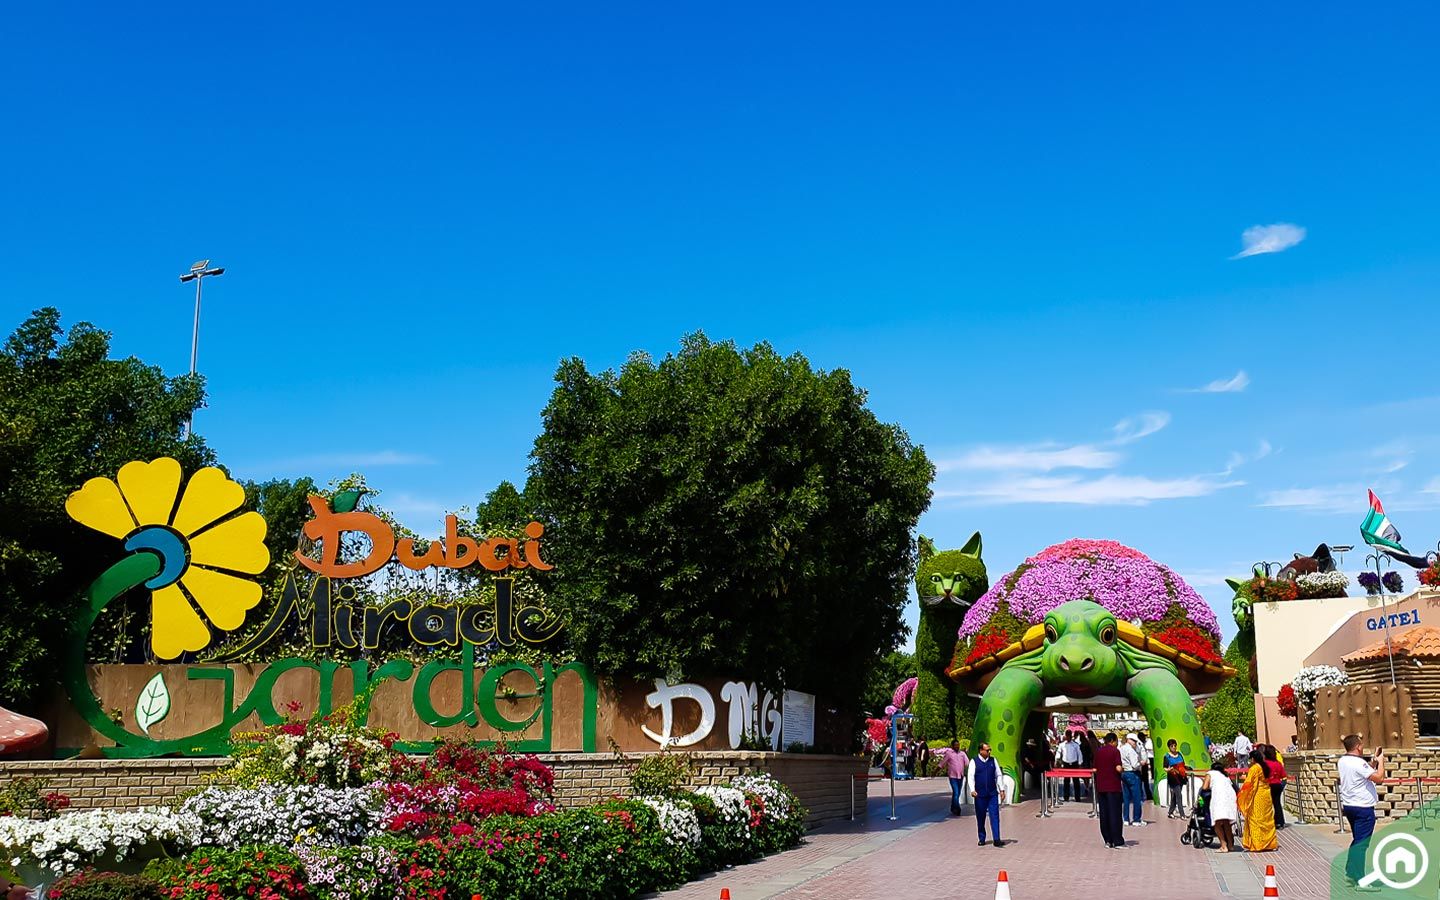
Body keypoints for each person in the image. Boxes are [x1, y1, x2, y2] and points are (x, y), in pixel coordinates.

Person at [1339, 734, 1385, 891]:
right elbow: (1379, 778)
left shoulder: (1343, 761)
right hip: (1363, 808)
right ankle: (1360, 879)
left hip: (1350, 806)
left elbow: (1363, 773)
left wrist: (1373, 762)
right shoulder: (1358, 763)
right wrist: (1381, 762)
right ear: (1358, 747)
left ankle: (1351, 873)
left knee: (1357, 841)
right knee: (1361, 844)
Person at [1238, 748, 1278, 852]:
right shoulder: (1265, 767)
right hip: (1266, 794)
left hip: (1257, 795)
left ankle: (1258, 844)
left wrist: (1243, 795)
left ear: (1253, 759)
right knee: (1267, 819)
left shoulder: (1254, 768)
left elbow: (1250, 783)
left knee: (1255, 819)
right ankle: (1270, 843)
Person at [968, 741, 1005, 847]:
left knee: (995, 815)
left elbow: (998, 775)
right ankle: (982, 837)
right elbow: (970, 776)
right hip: (980, 795)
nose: (989, 752)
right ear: (981, 751)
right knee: (981, 816)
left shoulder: (993, 761)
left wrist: (1001, 789)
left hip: (992, 793)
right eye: (987, 750)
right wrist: (972, 790)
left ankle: (996, 839)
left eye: (990, 750)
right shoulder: (974, 762)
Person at [1095, 732, 1125, 849]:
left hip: (1101, 787)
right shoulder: (1115, 751)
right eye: (1116, 741)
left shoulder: (1099, 751)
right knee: (1115, 813)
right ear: (1112, 741)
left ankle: (1107, 840)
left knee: (1104, 813)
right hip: (1113, 786)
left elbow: (1095, 768)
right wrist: (1123, 770)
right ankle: (1117, 840)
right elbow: (1118, 768)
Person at [1204, 760, 1238, 853]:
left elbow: (1204, 787)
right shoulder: (1225, 776)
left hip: (1219, 798)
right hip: (1230, 798)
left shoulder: (1210, 773)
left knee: (1217, 823)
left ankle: (1223, 846)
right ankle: (1230, 845)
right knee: (1226, 823)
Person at [935, 740, 969, 815]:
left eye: (958, 745)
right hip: (953, 777)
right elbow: (942, 763)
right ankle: (957, 808)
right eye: (955, 745)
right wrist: (935, 771)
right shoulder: (949, 754)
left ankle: (953, 807)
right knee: (956, 792)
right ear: (952, 746)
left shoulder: (962, 754)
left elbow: (967, 763)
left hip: (960, 776)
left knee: (957, 793)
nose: (957, 746)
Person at [1120, 733, 1145, 827]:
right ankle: (1136, 819)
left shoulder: (1121, 748)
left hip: (1124, 773)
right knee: (1137, 798)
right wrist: (1141, 763)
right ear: (1128, 740)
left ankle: (1126, 819)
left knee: (1126, 798)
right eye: (1133, 741)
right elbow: (1135, 765)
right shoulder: (1131, 750)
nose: (1135, 743)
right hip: (1133, 774)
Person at [1263, 744, 1288, 828]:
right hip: (1277, 784)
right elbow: (1283, 775)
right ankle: (1280, 821)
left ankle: (1269, 821)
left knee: (1267, 804)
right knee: (1277, 803)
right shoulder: (1278, 763)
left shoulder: (1265, 764)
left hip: (1269, 785)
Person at [1162, 739, 1187, 818]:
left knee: (1175, 796)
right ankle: (1182, 814)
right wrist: (1169, 769)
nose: (1174, 747)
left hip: (1180, 776)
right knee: (1179, 795)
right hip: (1173, 778)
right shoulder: (1167, 756)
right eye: (1172, 746)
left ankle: (1170, 812)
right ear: (1169, 747)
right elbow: (1165, 768)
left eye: (1175, 745)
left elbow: (1183, 764)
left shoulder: (1179, 754)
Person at [1057, 732, 1083, 801]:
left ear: (1071, 736)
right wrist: (1057, 759)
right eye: (1067, 736)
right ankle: (1066, 797)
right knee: (1066, 781)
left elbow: (1079, 753)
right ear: (1066, 736)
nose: (1068, 737)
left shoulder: (1075, 745)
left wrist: (1080, 763)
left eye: (1069, 736)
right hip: (1066, 764)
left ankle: (1077, 797)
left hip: (1074, 764)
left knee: (1076, 781)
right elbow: (1059, 752)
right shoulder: (1062, 745)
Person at [1140, 732, 1154, 802]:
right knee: (1143, 781)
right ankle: (1145, 794)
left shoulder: (1143, 744)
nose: (1145, 738)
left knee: (1145, 781)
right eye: (1143, 737)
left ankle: (1148, 794)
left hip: (1144, 764)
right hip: (1141, 765)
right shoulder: (1139, 745)